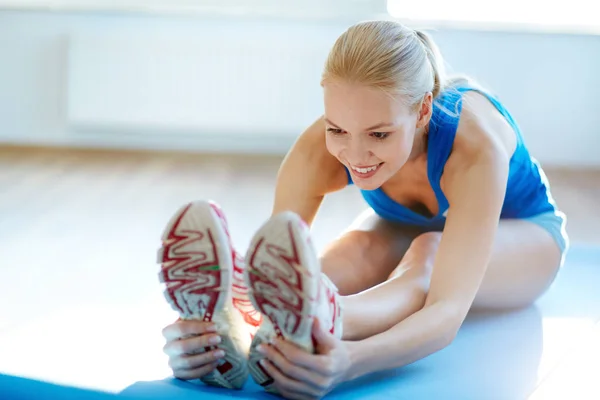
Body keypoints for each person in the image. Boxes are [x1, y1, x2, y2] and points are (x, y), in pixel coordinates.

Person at [156, 20, 569, 399]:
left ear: (423, 110)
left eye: (379, 133)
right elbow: (277, 260)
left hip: (527, 243)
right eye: (337, 129)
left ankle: (330, 319)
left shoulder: (475, 148)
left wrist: (348, 361)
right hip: (404, 229)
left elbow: (446, 310)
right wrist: (200, 343)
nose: (355, 154)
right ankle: (242, 322)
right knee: (343, 256)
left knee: (429, 253)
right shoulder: (316, 150)